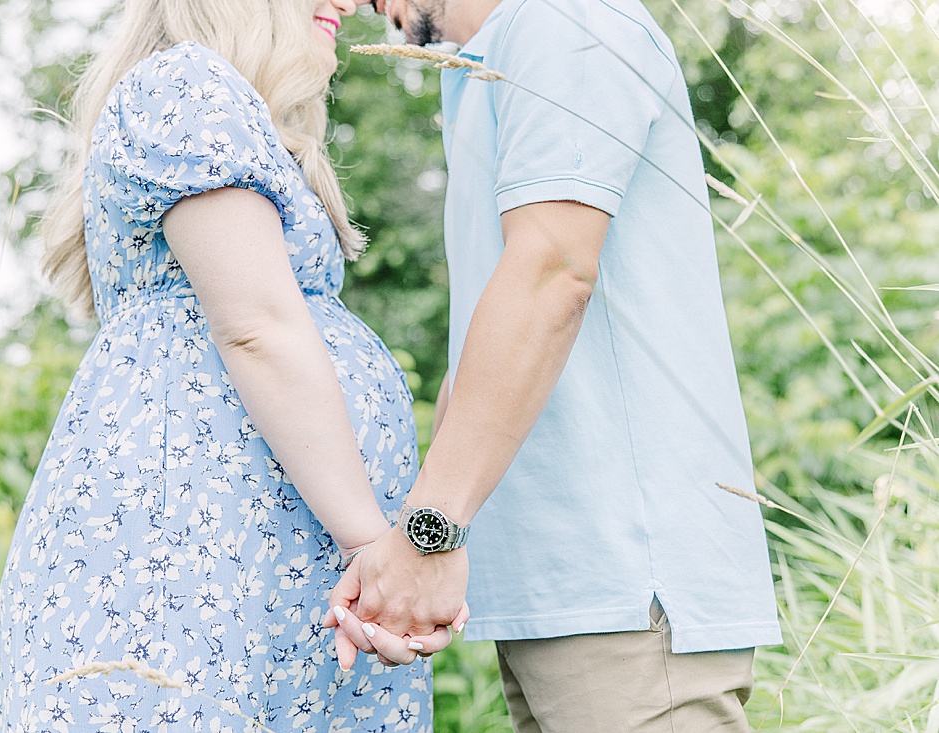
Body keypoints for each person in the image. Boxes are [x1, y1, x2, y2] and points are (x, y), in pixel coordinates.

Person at [0, 1, 462, 730]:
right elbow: (257, 327)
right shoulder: (184, 87)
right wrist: (375, 546)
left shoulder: (242, 121)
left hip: (265, 577)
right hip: (189, 563)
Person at [327, 0, 783, 729]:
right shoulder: (478, 68)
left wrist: (428, 530)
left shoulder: (567, 22)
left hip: (631, 589)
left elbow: (552, 276)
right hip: (557, 595)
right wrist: (415, 542)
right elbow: (493, 328)